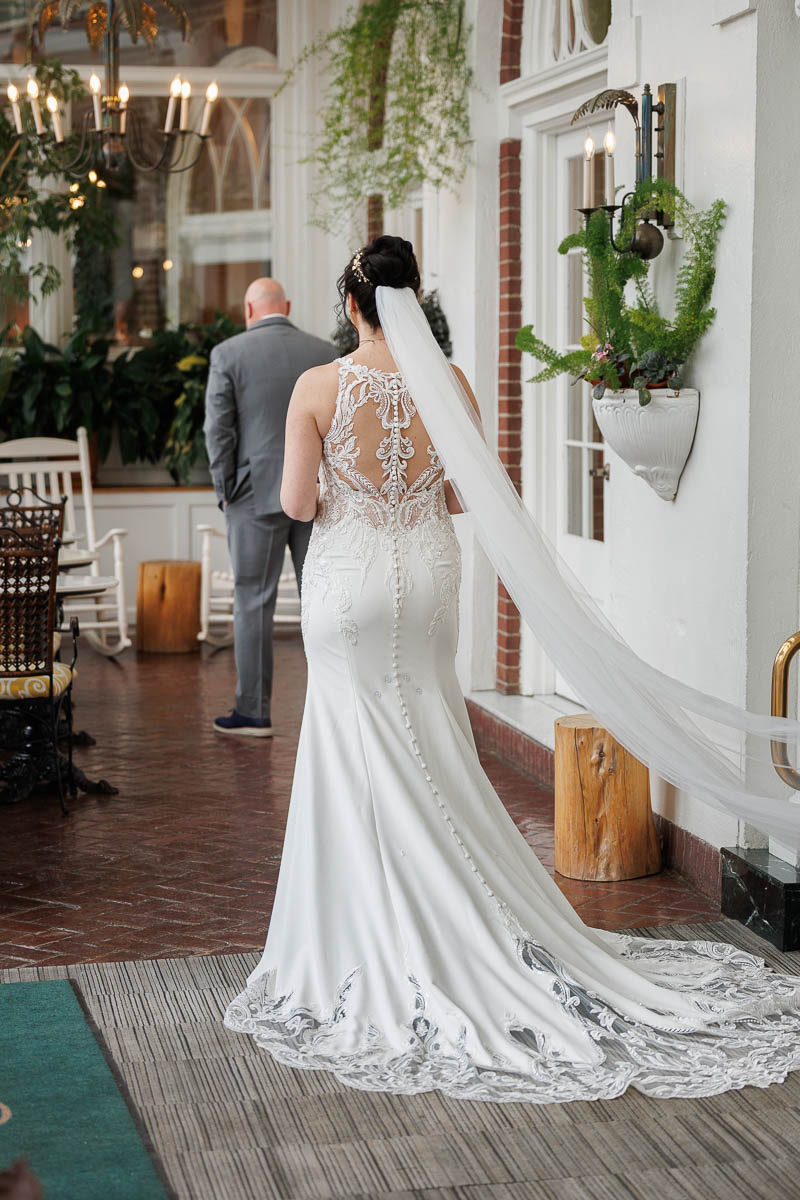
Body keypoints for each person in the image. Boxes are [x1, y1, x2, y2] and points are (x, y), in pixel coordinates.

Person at [224, 237, 800, 1102]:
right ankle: (461, 910)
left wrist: (345, 489)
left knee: (355, 741)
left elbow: (299, 504)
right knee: (432, 727)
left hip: (350, 586)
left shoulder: (320, 387)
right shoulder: (447, 383)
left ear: (351, 305)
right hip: (427, 578)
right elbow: (463, 496)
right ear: (413, 300)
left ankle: (367, 929)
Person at [204, 277, 337, 737]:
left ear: (248, 309)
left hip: (252, 494)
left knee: (253, 601)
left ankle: (253, 711)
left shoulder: (228, 354)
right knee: (320, 599)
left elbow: (218, 431)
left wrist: (225, 490)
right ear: (289, 305)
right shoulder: (323, 350)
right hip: (318, 494)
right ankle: (335, 709)